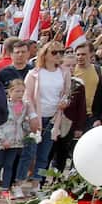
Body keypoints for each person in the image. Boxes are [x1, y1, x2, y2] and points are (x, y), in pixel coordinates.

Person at [24, 40, 72, 190]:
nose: (58, 55)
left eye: (61, 52)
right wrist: (32, 116)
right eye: (54, 52)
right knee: (29, 152)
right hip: (36, 116)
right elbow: (27, 96)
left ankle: (36, 184)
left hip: (53, 117)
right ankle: (18, 182)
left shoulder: (64, 72)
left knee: (44, 154)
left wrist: (65, 102)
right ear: (45, 55)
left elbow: (66, 93)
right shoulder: (34, 73)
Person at [0, 78, 30, 200]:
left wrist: (28, 132)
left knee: (9, 165)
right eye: (17, 91)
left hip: (15, 141)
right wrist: (2, 139)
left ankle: (6, 188)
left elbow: (23, 122)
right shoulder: (3, 105)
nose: (20, 94)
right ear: (10, 92)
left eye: (22, 91)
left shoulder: (25, 105)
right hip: (0, 141)